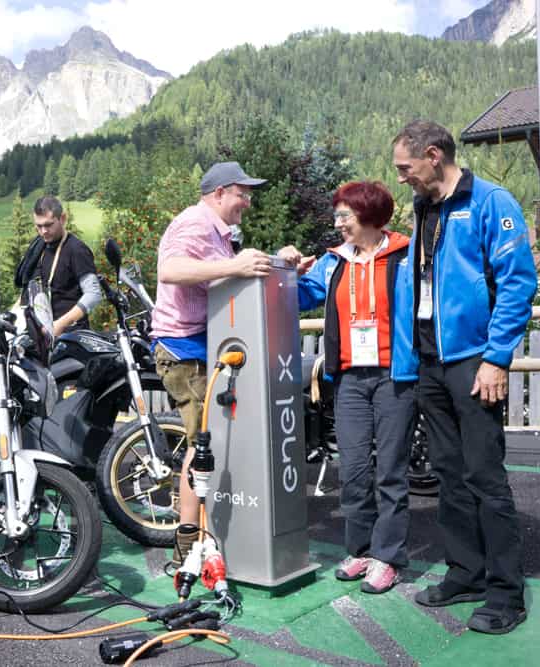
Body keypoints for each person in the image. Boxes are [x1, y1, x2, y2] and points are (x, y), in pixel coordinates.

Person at [392, 120, 536, 634]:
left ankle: (505, 592)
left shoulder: (490, 202)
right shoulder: (425, 206)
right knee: (448, 475)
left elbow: (518, 283)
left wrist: (497, 358)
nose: (402, 178)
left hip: (475, 360)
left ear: (433, 155)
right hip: (432, 363)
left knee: (484, 476)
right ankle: (466, 572)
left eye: (405, 168)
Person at [278, 181, 417, 594]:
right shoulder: (333, 262)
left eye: (345, 216)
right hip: (351, 379)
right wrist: (288, 268)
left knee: (390, 471)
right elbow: (300, 297)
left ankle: (388, 556)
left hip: (396, 376)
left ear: (370, 216)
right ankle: (360, 550)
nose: (338, 224)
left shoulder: (406, 255)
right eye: (336, 216)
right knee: (354, 470)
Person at [151, 161, 273, 568]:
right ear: (219, 193)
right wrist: (235, 265)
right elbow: (171, 270)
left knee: (209, 443)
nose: (248, 201)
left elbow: (223, 279)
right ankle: (188, 543)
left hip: (203, 347)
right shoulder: (195, 224)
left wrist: (276, 261)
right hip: (185, 351)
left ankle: (209, 535)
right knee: (202, 445)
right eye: (242, 192)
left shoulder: (218, 232)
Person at [14, 196, 101, 336]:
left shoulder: (77, 250)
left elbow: (93, 294)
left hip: (70, 337)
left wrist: (59, 325)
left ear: (63, 218)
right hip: (37, 337)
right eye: (39, 226)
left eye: (48, 225)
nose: (43, 231)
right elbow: (27, 290)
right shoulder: (37, 248)